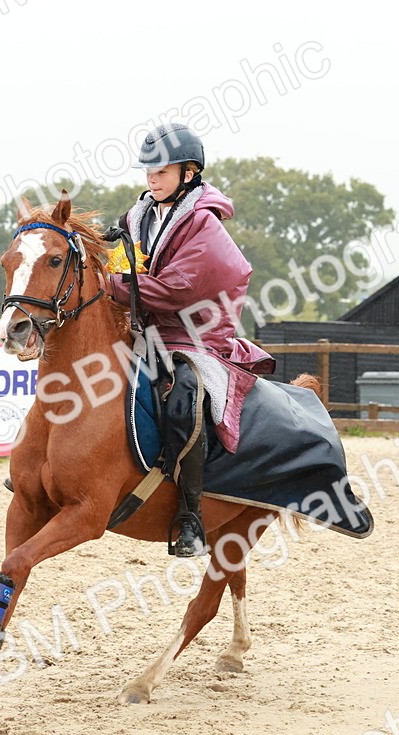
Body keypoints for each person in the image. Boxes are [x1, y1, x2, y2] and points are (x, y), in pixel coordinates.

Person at [107, 123, 274, 558]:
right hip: (147, 330)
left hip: (196, 337)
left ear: (189, 172)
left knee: (184, 395)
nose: (152, 178)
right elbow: (124, 265)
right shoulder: (139, 215)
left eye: (162, 170)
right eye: (148, 170)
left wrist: (109, 285)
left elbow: (175, 289)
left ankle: (191, 516)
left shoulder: (204, 225)